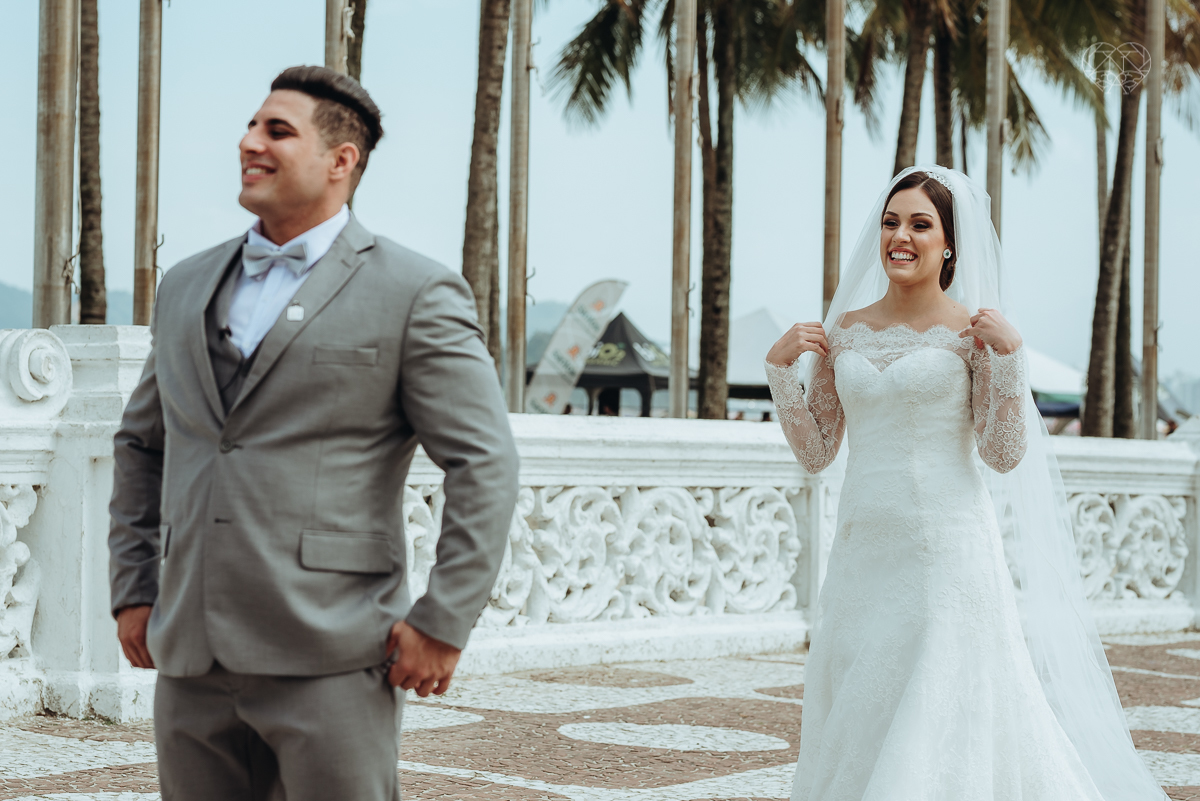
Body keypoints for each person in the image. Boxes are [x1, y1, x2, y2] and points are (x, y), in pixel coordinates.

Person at [108, 66, 519, 801]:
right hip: (190, 655)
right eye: (250, 125)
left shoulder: (414, 291)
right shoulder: (185, 285)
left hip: (333, 652)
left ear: (341, 161)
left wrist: (444, 618)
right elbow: (144, 443)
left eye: (277, 130)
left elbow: (483, 461)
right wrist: (133, 586)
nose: (249, 142)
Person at [765, 167, 1166, 800]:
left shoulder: (974, 334)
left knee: (937, 706)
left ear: (950, 243)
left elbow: (1003, 454)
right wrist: (780, 371)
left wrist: (1011, 360)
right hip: (862, 556)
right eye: (892, 222)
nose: (901, 236)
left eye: (921, 225)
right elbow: (816, 451)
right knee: (864, 701)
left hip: (946, 556)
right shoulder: (845, 330)